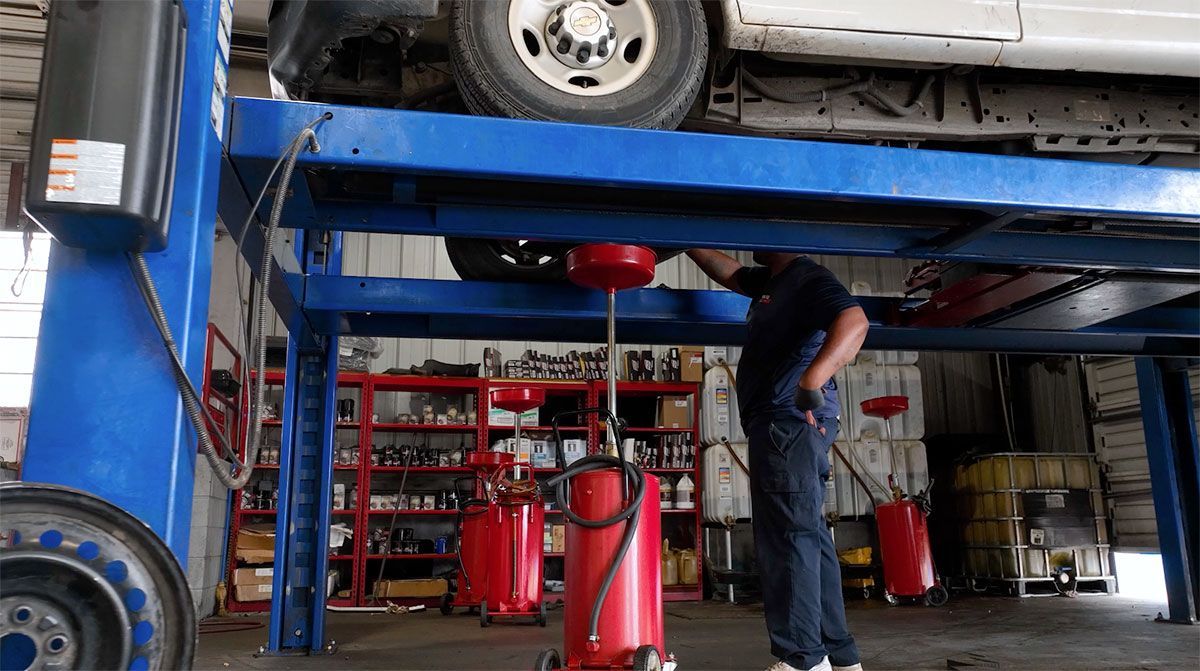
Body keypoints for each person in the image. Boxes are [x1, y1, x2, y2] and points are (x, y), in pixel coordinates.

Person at [687, 249, 870, 671]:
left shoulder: (807, 277)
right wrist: (687, 242)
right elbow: (731, 273)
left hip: (788, 421)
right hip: (786, 425)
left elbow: (855, 322)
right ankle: (838, 656)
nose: (755, 239)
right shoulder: (772, 283)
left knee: (786, 537)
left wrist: (812, 379)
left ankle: (802, 658)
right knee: (808, 535)